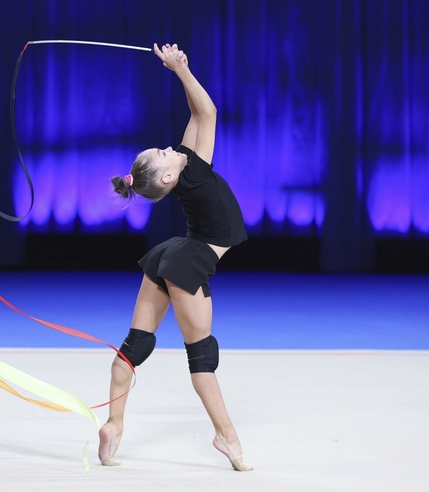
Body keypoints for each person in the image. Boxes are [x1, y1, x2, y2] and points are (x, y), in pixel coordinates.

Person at [101, 43, 252, 472]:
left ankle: (114, 424)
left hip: (171, 252)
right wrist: (181, 70)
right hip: (189, 258)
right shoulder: (194, 170)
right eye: (164, 152)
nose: (170, 148)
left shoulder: (185, 166)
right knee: (201, 358)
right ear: (167, 175)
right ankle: (227, 437)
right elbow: (209, 113)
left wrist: (180, 68)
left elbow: (197, 115)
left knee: (134, 346)